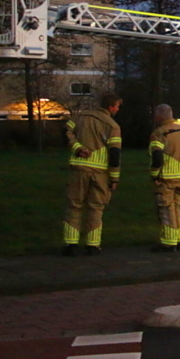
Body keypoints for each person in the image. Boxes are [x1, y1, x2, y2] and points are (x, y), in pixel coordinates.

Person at [62, 93, 122, 257]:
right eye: (117, 106)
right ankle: (92, 245)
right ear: (111, 107)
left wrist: (77, 147)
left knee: (74, 206)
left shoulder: (80, 117)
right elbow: (115, 155)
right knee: (96, 208)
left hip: (78, 170)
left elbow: (66, 131)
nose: (117, 109)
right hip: (100, 173)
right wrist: (114, 178)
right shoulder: (112, 125)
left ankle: (70, 244)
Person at [149, 104, 180, 252]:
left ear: (160, 116)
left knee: (165, 209)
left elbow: (157, 157)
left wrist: (155, 174)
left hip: (166, 177)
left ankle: (168, 243)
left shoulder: (159, 133)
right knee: (176, 208)